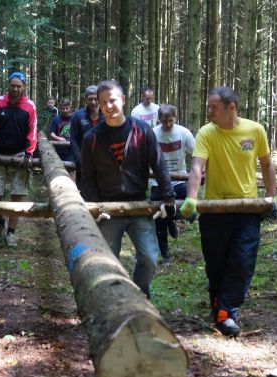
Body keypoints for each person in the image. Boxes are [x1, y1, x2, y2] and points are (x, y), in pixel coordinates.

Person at [180, 86, 277, 337]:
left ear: (231, 107)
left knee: (242, 260)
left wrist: (271, 198)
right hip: (215, 210)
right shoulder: (207, 132)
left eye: (214, 107)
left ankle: (226, 312)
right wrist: (191, 199)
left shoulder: (255, 130)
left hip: (247, 209)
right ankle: (219, 303)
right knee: (217, 262)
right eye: (208, 106)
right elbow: (197, 167)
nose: (209, 111)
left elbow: (266, 164)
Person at [79, 80, 175, 297]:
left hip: (139, 204)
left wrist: (168, 197)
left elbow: (158, 164)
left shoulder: (142, 131)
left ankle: (140, 296)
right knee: (107, 260)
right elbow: (87, 177)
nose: (108, 106)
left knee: (149, 258)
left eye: (112, 100)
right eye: (103, 102)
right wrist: (95, 206)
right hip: (107, 209)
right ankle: (114, 300)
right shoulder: (91, 138)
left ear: (123, 100)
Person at [0, 71, 37, 248]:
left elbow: (32, 131)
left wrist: (29, 153)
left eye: (19, 86)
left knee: (17, 196)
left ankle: (11, 233)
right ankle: (1, 222)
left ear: (24, 87)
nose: (15, 89)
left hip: (19, 156)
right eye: (13, 85)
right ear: (8, 85)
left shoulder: (30, 106)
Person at [150, 104, 195, 262]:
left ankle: (172, 219)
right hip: (158, 182)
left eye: (171, 121)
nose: (168, 124)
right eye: (164, 121)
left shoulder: (183, 132)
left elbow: (197, 153)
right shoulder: (153, 134)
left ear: (175, 118)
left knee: (188, 201)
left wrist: (200, 170)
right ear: (159, 119)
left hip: (179, 180)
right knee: (158, 216)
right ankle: (165, 253)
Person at [70, 85, 104, 189]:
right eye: (90, 99)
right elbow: (73, 140)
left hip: (103, 165)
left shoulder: (106, 115)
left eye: (96, 99)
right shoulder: (77, 116)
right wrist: (80, 159)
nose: (93, 102)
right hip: (83, 164)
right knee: (83, 192)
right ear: (85, 99)